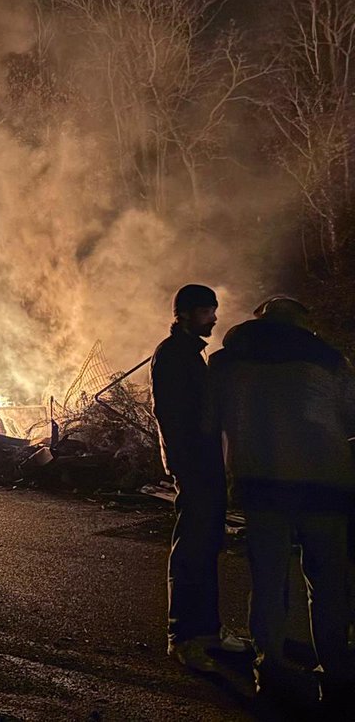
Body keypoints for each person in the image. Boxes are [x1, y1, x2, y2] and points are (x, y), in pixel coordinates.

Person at [209, 296, 355, 705]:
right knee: (326, 582)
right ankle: (335, 671)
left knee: (269, 580)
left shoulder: (227, 362)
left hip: (262, 483)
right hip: (324, 483)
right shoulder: (328, 358)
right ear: (301, 321)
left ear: (260, 320)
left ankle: (268, 666)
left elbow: (210, 418)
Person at [150, 284, 248, 672]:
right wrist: (183, 463)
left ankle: (208, 630)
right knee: (192, 547)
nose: (214, 317)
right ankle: (182, 637)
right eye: (208, 311)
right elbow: (171, 416)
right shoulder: (174, 354)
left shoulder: (191, 353)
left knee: (207, 545)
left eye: (214, 310)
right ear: (186, 314)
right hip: (194, 464)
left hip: (205, 462)